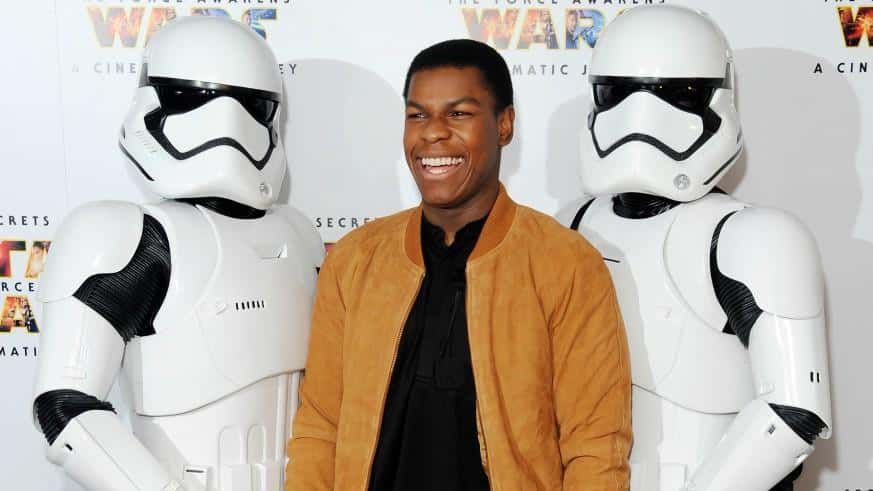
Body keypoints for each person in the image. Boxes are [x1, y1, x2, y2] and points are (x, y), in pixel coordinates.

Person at [287, 39, 631, 490]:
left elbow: (596, 447)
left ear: (504, 125)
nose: (433, 133)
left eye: (459, 114)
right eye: (417, 115)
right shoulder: (355, 260)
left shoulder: (565, 264)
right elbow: (320, 428)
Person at [32, 17, 322, 490]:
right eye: (193, 99)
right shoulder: (130, 236)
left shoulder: (299, 235)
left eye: (252, 105)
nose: (225, 124)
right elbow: (64, 407)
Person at [570, 5, 832, 490]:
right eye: (617, 91)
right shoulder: (576, 224)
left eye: (675, 94)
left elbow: (794, 412)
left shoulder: (754, 237)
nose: (640, 116)